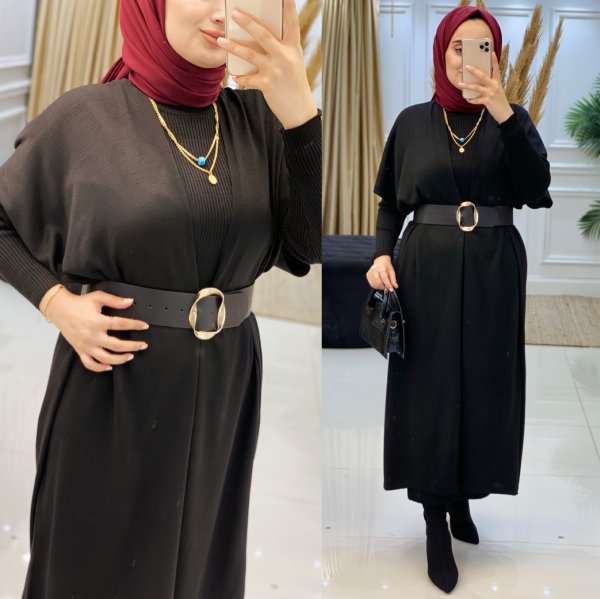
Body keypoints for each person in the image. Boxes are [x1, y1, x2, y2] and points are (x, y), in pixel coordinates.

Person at [0, 0, 321, 597]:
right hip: (115, 392)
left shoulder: (257, 118)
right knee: (98, 571)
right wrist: (56, 304)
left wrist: (301, 114)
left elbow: (306, 248)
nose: (220, 13)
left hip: (225, 386)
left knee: (200, 563)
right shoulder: (86, 118)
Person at [365, 5, 552, 594]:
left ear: (496, 58)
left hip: (496, 270)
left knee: (485, 385)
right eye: (459, 47)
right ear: (442, 52)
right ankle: (433, 519)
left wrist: (505, 112)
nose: (470, 59)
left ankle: (464, 497)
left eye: (484, 47)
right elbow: (390, 202)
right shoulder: (412, 123)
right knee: (431, 388)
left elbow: (536, 189)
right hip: (427, 270)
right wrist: (381, 253)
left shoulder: (512, 120)